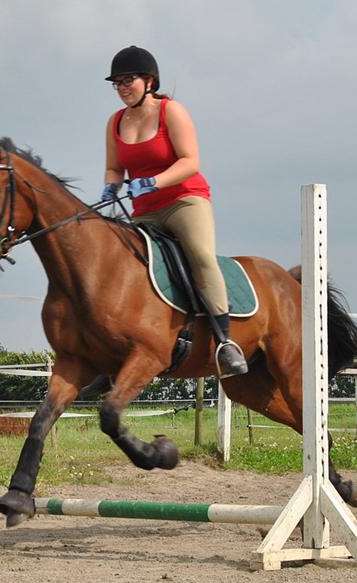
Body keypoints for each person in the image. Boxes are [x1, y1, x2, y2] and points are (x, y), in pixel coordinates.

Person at [100, 45, 248, 377]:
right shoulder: (115, 122)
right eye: (117, 83)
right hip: (144, 211)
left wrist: (153, 181)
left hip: (184, 200)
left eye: (128, 80)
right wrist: (111, 187)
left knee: (200, 256)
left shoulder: (172, 111)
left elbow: (190, 161)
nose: (122, 88)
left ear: (149, 81)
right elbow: (114, 168)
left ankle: (226, 342)